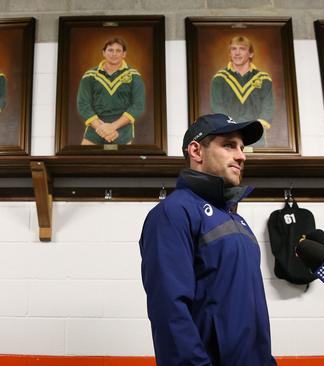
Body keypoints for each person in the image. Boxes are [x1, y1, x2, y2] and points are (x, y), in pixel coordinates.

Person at [139, 113, 276, 366]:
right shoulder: (173, 213)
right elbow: (169, 311)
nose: (242, 156)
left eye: (243, 148)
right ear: (196, 151)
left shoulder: (238, 222)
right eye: (229, 145)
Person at [76, 37, 145, 145]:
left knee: (123, 162)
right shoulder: (90, 75)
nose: (114, 54)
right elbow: (83, 104)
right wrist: (100, 127)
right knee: (84, 161)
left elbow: (138, 105)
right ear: (104, 52)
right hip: (95, 126)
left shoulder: (134, 75)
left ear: (124, 54)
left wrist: (113, 126)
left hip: (122, 128)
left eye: (118, 50)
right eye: (110, 50)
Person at [210, 36, 273, 147]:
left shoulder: (264, 78)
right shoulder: (220, 78)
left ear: (251, 54)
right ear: (230, 53)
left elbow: (268, 105)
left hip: (255, 134)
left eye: (242, 49)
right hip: (229, 133)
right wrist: (231, 126)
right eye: (233, 49)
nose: (237, 53)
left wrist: (258, 125)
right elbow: (217, 106)